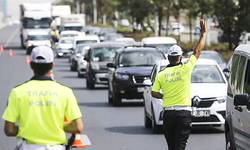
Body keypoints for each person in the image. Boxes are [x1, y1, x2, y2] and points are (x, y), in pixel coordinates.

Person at [2, 46, 84, 150]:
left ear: (31, 65)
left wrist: (29, 128)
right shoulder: (65, 92)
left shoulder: (17, 92)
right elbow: (78, 127)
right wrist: (53, 126)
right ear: (52, 65)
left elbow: (9, 130)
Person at [151, 20, 207, 150]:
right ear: (180, 58)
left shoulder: (161, 74)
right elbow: (197, 51)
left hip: (168, 115)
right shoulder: (186, 68)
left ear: (168, 58)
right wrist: (203, 35)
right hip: (183, 114)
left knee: (172, 147)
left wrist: (164, 96)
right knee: (180, 146)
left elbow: (154, 92)